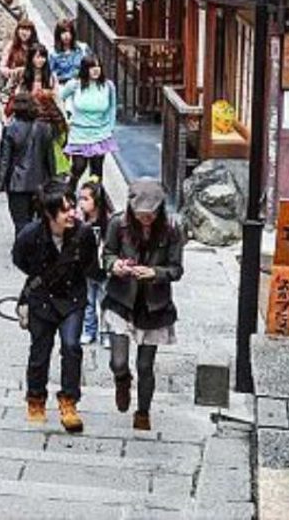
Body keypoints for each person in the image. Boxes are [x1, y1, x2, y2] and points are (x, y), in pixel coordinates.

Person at [12, 181, 98, 433]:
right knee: (40, 349)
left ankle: (69, 401)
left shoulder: (83, 234)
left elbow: (90, 264)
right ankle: (36, 398)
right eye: (64, 210)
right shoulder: (30, 235)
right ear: (50, 214)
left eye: (72, 207)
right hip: (42, 297)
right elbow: (19, 259)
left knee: (72, 346)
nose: (72, 214)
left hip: (72, 297)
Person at [102, 179, 183, 432]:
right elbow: (107, 254)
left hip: (153, 305)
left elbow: (176, 269)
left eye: (150, 214)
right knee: (118, 361)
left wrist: (155, 273)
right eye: (140, 214)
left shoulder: (171, 229)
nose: (145, 218)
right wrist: (115, 266)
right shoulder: (118, 223)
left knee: (146, 365)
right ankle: (122, 381)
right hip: (121, 299)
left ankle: (143, 412)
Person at [0, 90, 58, 235]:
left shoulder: (10, 129)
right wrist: (53, 179)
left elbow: (4, 160)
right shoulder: (45, 128)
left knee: (20, 222)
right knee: (38, 221)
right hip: (40, 182)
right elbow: (50, 158)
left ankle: (22, 250)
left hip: (17, 183)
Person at [60, 55, 118, 183]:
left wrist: (110, 127)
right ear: (85, 69)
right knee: (78, 167)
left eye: (98, 66)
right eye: (92, 67)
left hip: (100, 133)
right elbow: (59, 98)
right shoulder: (74, 85)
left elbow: (112, 107)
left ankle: (95, 199)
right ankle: (69, 195)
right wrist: (66, 118)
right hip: (79, 133)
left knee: (96, 171)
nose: (96, 70)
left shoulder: (108, 86)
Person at [78, 179, 114, 345]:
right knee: (88, 303)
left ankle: (106, 333)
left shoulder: (110, 221)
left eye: (86, 199)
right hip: (86, 269)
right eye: (80, 198)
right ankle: (89, 330)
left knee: (105, 303)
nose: (81, 203)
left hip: (104, 270)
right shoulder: (80, 220)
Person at [0, 16, 38, 110]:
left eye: (28, 30)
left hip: (30, 86)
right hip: (13, 86)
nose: (24, 33)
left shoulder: (35, 48)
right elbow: (2, 66)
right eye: (22, 29)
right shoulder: (11, 46)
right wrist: (13, 72)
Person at [49, 18, 89, 85]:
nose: (66, 35)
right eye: (63, 33)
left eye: (69, 32)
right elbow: (51, 72)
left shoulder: (82, 48)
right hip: (62, 84)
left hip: (80, 83)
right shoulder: (53, 53)